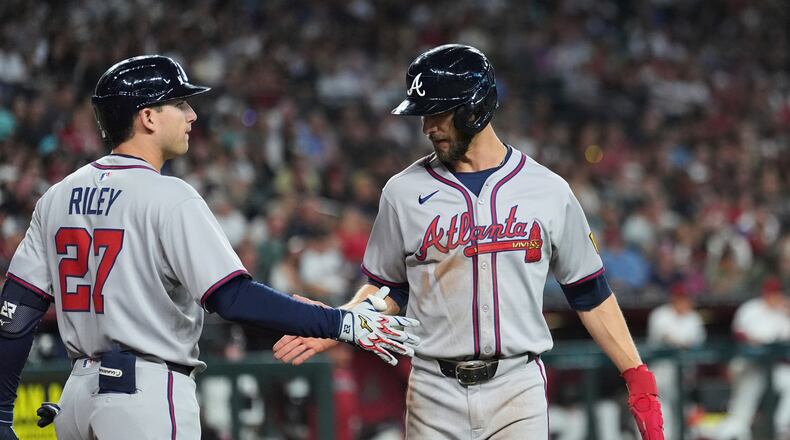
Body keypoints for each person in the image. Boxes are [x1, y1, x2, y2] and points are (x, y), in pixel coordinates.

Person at [0, 55, 420, 440]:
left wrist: (2, 412)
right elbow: (232, 297)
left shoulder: (56, 197)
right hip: (143, 396)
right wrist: (340, 323)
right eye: (179, 104)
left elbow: (15, 315)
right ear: (147, 117)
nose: (191, 115)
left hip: (74, 398)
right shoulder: (168, 196)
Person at [273, 44, 664, 439]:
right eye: (424, 114)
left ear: (475, 106)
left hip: (518, 386)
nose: (428, 127)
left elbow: (589, 291)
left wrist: (636, 374)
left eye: (438, 113)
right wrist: (340, 322)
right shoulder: (402, 192)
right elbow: (388, 288)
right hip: (433, 389)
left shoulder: (548, 191)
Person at [713, 277, 790, 440]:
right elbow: (737, 334)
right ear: (765, 294)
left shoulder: (782, 314)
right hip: (748, 366)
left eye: (777, 294)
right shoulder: (751, 309)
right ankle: (727, 434)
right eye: (772, 294)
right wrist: (752, 341)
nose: (775, 297)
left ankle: (782, 428)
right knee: (742, 410)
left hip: (771, 368)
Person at [647, 283, 706, 440]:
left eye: (687, 299)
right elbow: (667, 338)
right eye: (681, 299)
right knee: (662, 413)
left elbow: (698, 342)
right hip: (661, 373)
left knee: (684, 414)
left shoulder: (694, 318)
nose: (685, 303)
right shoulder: (660, 314)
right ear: (673, 299)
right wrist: (682, 344)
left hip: (685, 373)